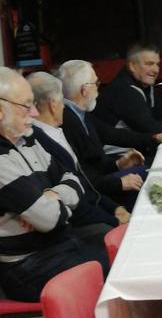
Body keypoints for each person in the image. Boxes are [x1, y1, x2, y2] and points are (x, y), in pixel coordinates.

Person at [0, 67, 107, 301]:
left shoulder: (26, 139)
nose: (35, 113)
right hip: (26, 267)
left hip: (58, 246)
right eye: (26, 105)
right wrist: (56, 203)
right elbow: (50, 220)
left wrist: (52, 197)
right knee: (115, 270)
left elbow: (73, 179)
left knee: (121, 255)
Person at [29, 71, 129, 236]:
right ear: (53, 104)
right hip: (74, 224)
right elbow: (73, 200)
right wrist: (112, 220)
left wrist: (114, 208)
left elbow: (84, 184)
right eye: (62, 100)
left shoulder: (55, 132)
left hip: (93, 209)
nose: (64, 106)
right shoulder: (40, 141)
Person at [59, 59, 146, 207]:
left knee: (146, 170)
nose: (98, 90)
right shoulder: (67, 121)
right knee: (147, 175)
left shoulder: (79, 114)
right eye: (96, 83)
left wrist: (118, 164)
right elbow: (84, 177)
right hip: (93, 195)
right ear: (84, 89)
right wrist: (119, 182)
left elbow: (97, 160)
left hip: (100, 183)